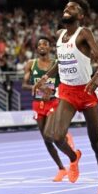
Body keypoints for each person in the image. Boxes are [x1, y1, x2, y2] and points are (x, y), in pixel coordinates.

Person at [33, 0, 98, 194]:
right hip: (66, 91)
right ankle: (73, 156)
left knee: (96, 141)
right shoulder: (59, 35)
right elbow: (60, 62)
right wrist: (44, 78)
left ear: (81, 15)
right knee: (55, 136)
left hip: (86, 91)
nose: (67, 8)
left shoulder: (84, 33)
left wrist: (97, 77)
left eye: (73, 7)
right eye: (66, 6)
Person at [22, 36, 75, 182]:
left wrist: (51, 90)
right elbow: (24, 85)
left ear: (50, 48)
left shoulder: (56, 64)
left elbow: (66, 82)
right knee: (46, 139)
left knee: (48, 133)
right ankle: (61, 169)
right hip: (38, 104)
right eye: (39, 44)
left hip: (54, 102)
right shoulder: (30, 64)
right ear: (37, 48)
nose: (42, 46)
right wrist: (40, 89)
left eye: (45, 44)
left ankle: (65, 139)